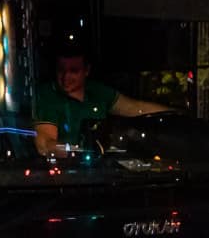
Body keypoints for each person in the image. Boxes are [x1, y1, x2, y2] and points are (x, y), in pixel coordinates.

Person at [32, 42, 169, 155]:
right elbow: (45, 143)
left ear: (86, 70)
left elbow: (135, 108)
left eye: (74, 71)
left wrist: (173, 112)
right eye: (61, 70)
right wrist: (75, 151)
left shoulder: (97, 91)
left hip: (99, 169)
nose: (65, 76)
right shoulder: (47, 95)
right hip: (65, 171)